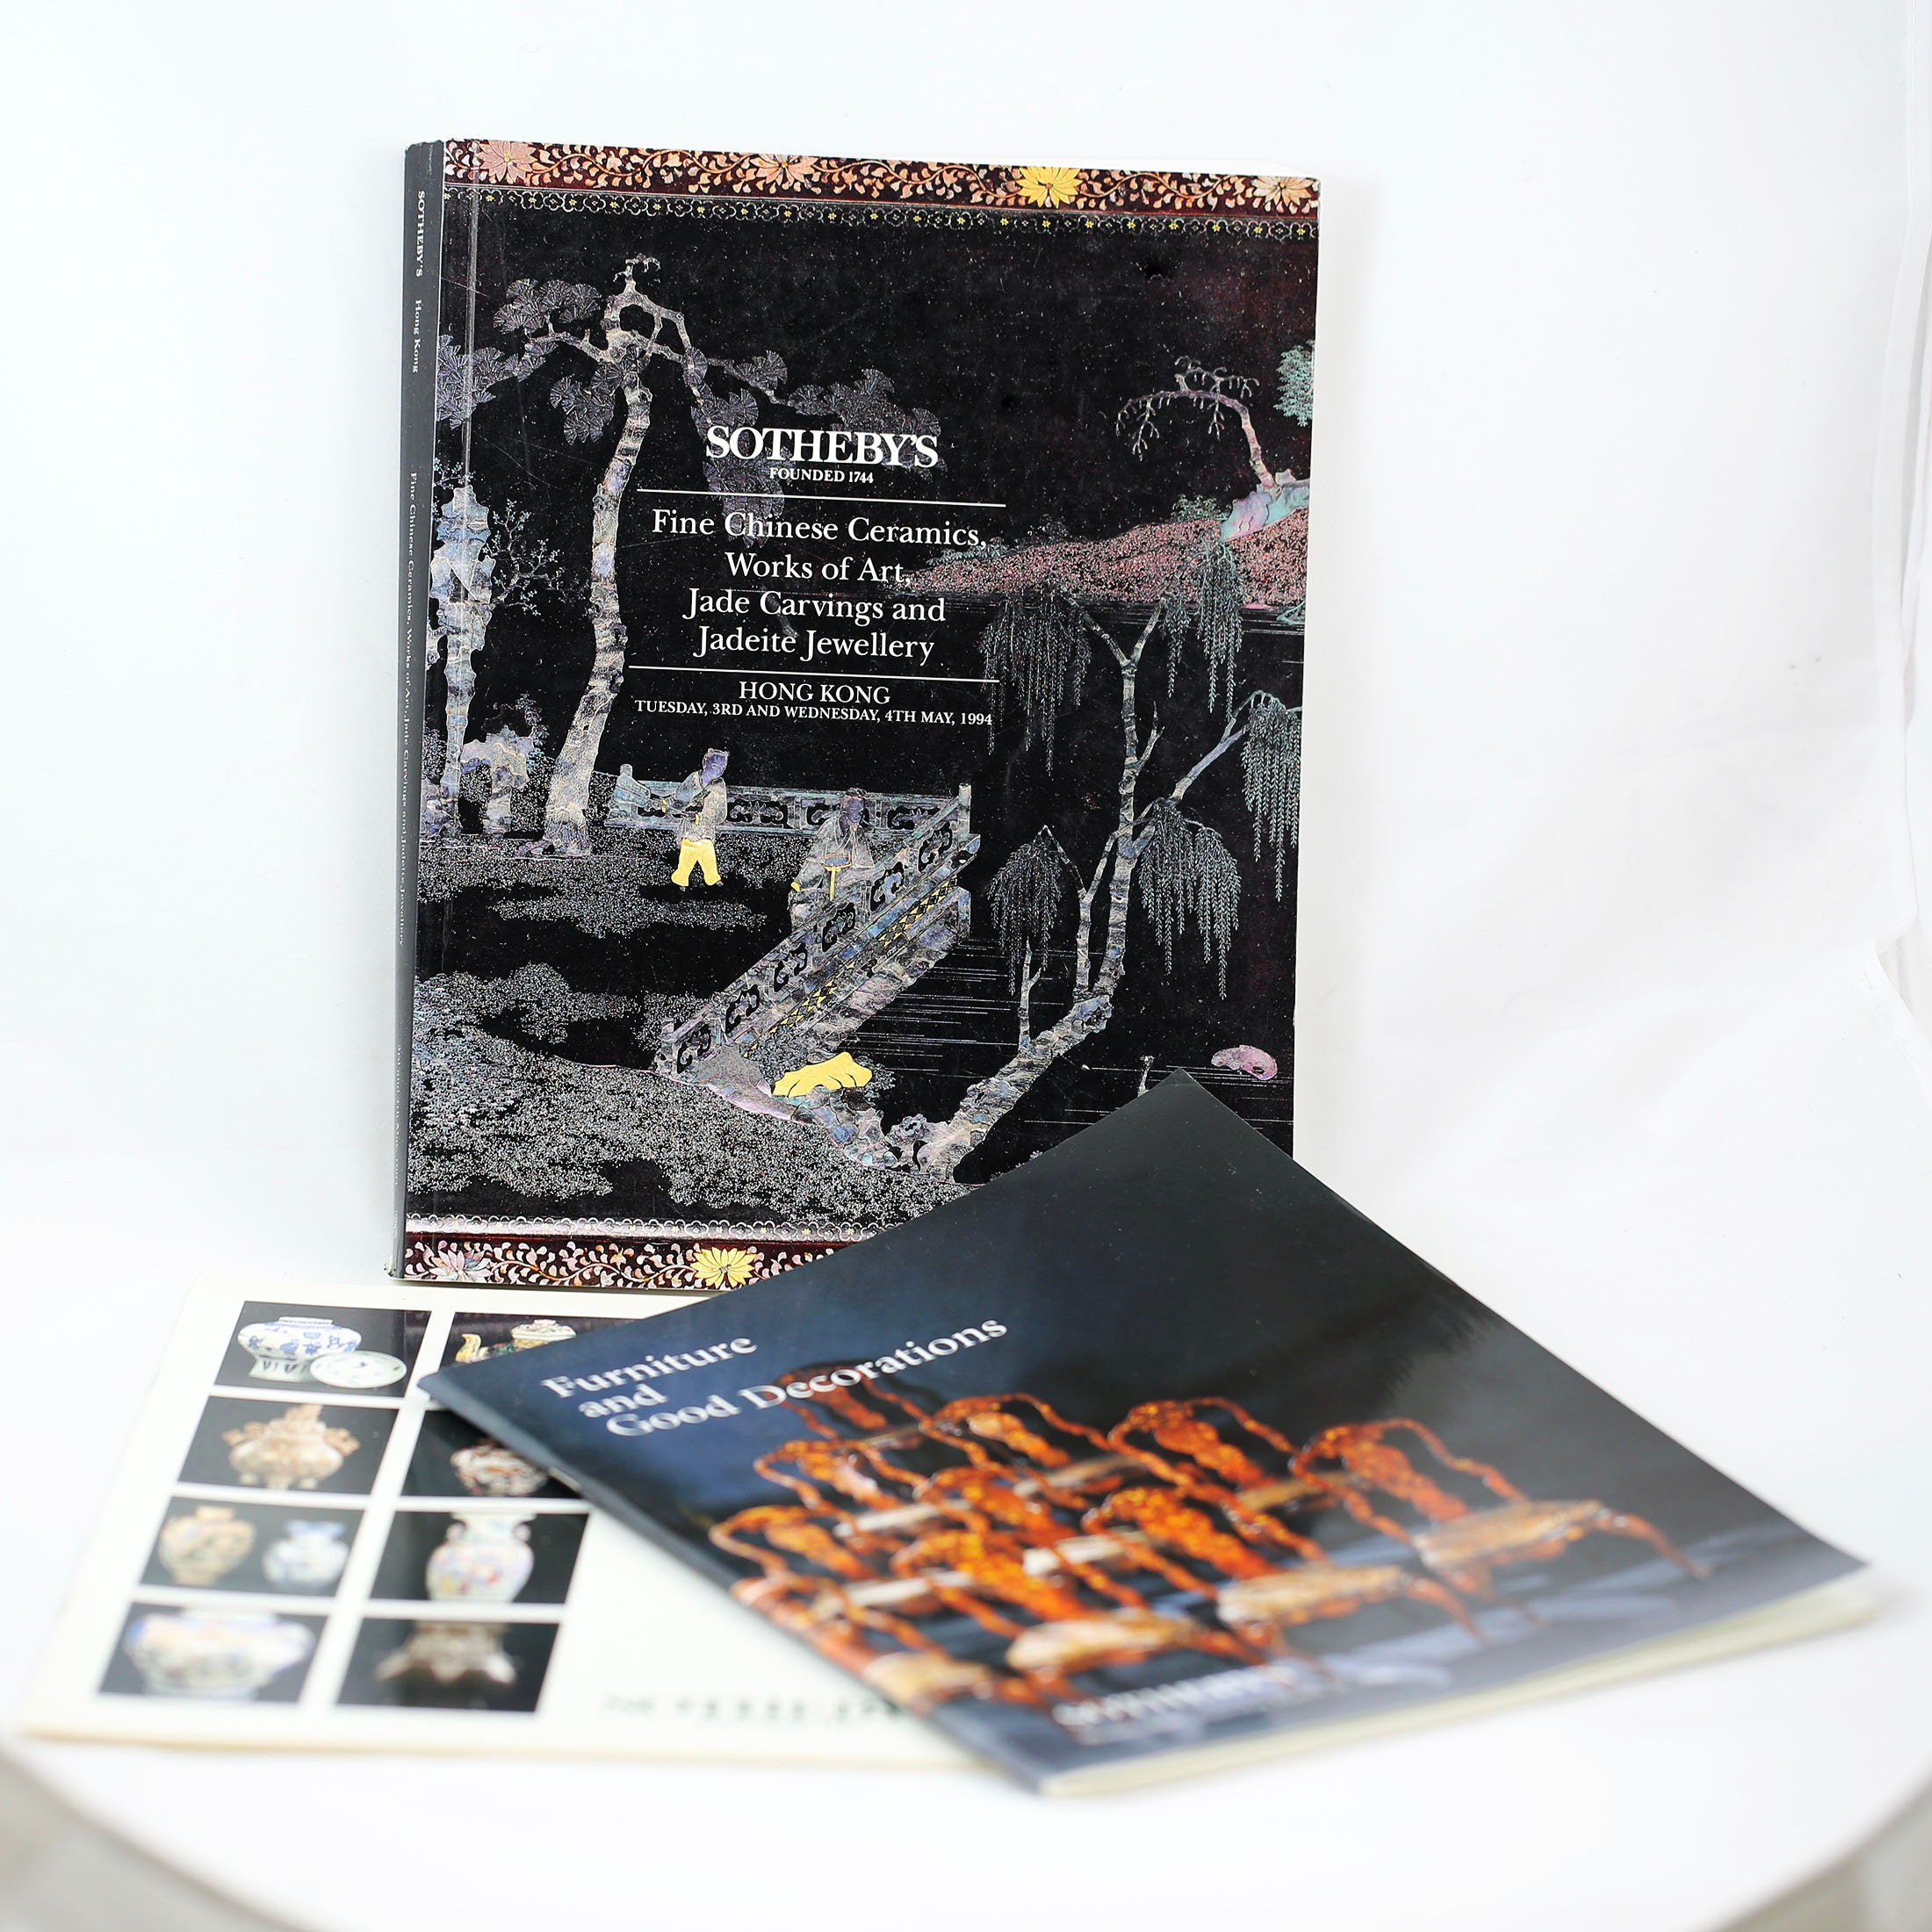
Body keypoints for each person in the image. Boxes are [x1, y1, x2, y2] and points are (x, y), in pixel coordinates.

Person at [790, 788, 875, 926]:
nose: (858, 816)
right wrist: (800, 884)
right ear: (844, 809)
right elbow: (815, 860)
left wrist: (851, 877)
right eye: (854, 810)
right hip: (828, 887)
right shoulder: (829, 827)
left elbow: (865, 865)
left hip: (849, 888)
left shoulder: (858, 832)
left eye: (860, 812)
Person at [671, 746, 730, 887]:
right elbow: (680, 797)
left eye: (722, 767)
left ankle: (712, 877)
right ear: (705, 762)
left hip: (706, 827)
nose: (718, 770)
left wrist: (702, 817)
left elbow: (720, 813)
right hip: (689, 826)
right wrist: (670, 804)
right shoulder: (694, 778)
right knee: (688, 850)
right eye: (715, 766)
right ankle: (681, 878)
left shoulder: (719, 785)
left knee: (707, 849)